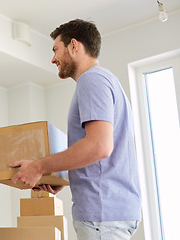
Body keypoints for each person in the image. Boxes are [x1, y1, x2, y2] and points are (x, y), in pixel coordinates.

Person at [10, 19, 141, 240]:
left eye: (55, 50)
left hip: (102, 217)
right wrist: (67, 178)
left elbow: (99, 147)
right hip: (110, 213)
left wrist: (38, 167)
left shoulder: (92, 80)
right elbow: (104, 156)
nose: (53, 59)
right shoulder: (107, 80)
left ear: (74, 45)